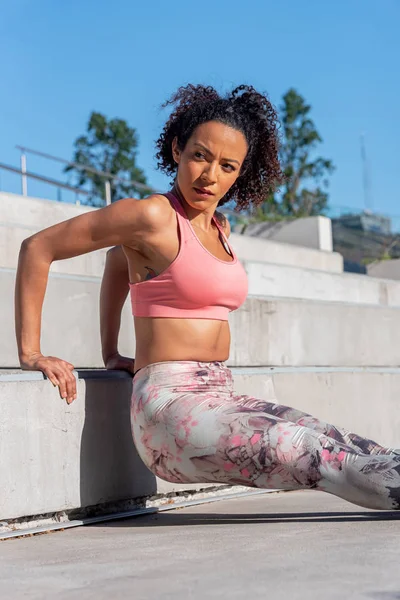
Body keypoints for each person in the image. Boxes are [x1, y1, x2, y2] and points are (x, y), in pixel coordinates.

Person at [15, 84, 400, 511]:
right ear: (178, 148)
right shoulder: (152, 216)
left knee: (341, 438)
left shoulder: (220, 228)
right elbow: (38, 248)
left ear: (241, 173)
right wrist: (32, 353)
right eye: (200, 155)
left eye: (227, 165)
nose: (210, 174)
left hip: (221, 393)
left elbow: (115, 261)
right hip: (171, 409)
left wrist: (111, 352)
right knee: (313, 451)